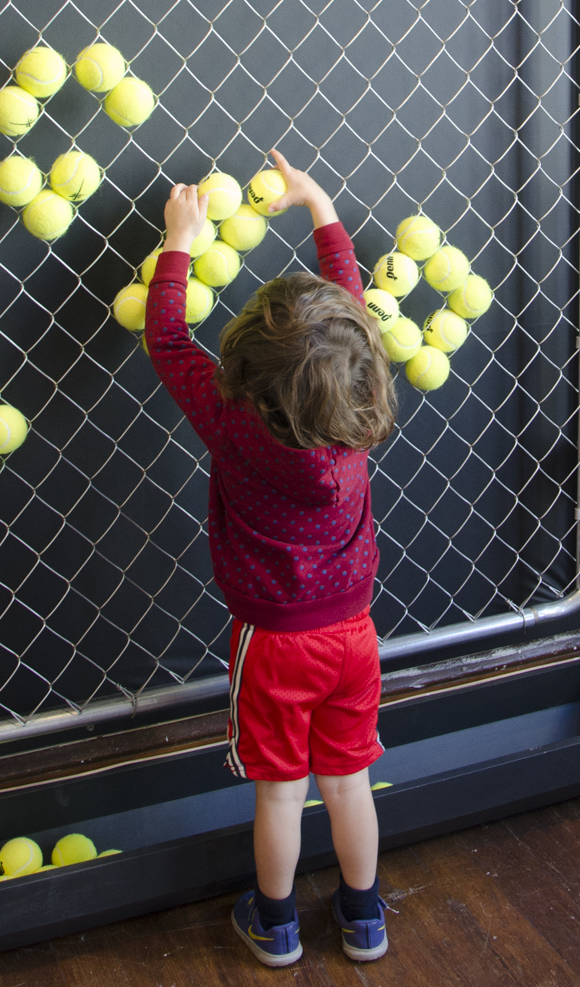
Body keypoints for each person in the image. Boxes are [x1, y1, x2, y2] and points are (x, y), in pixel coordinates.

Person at [143, 149, 397, 967]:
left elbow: (166, 337)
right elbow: (350, 304)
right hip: (354, 635)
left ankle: (276, 923)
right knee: (349, 781)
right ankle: (364, 919)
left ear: (245, 373)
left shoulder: (230, 422)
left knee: (281, 791)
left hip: (275, 643)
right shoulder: (356, 420)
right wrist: (321, 201)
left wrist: (180, 239)